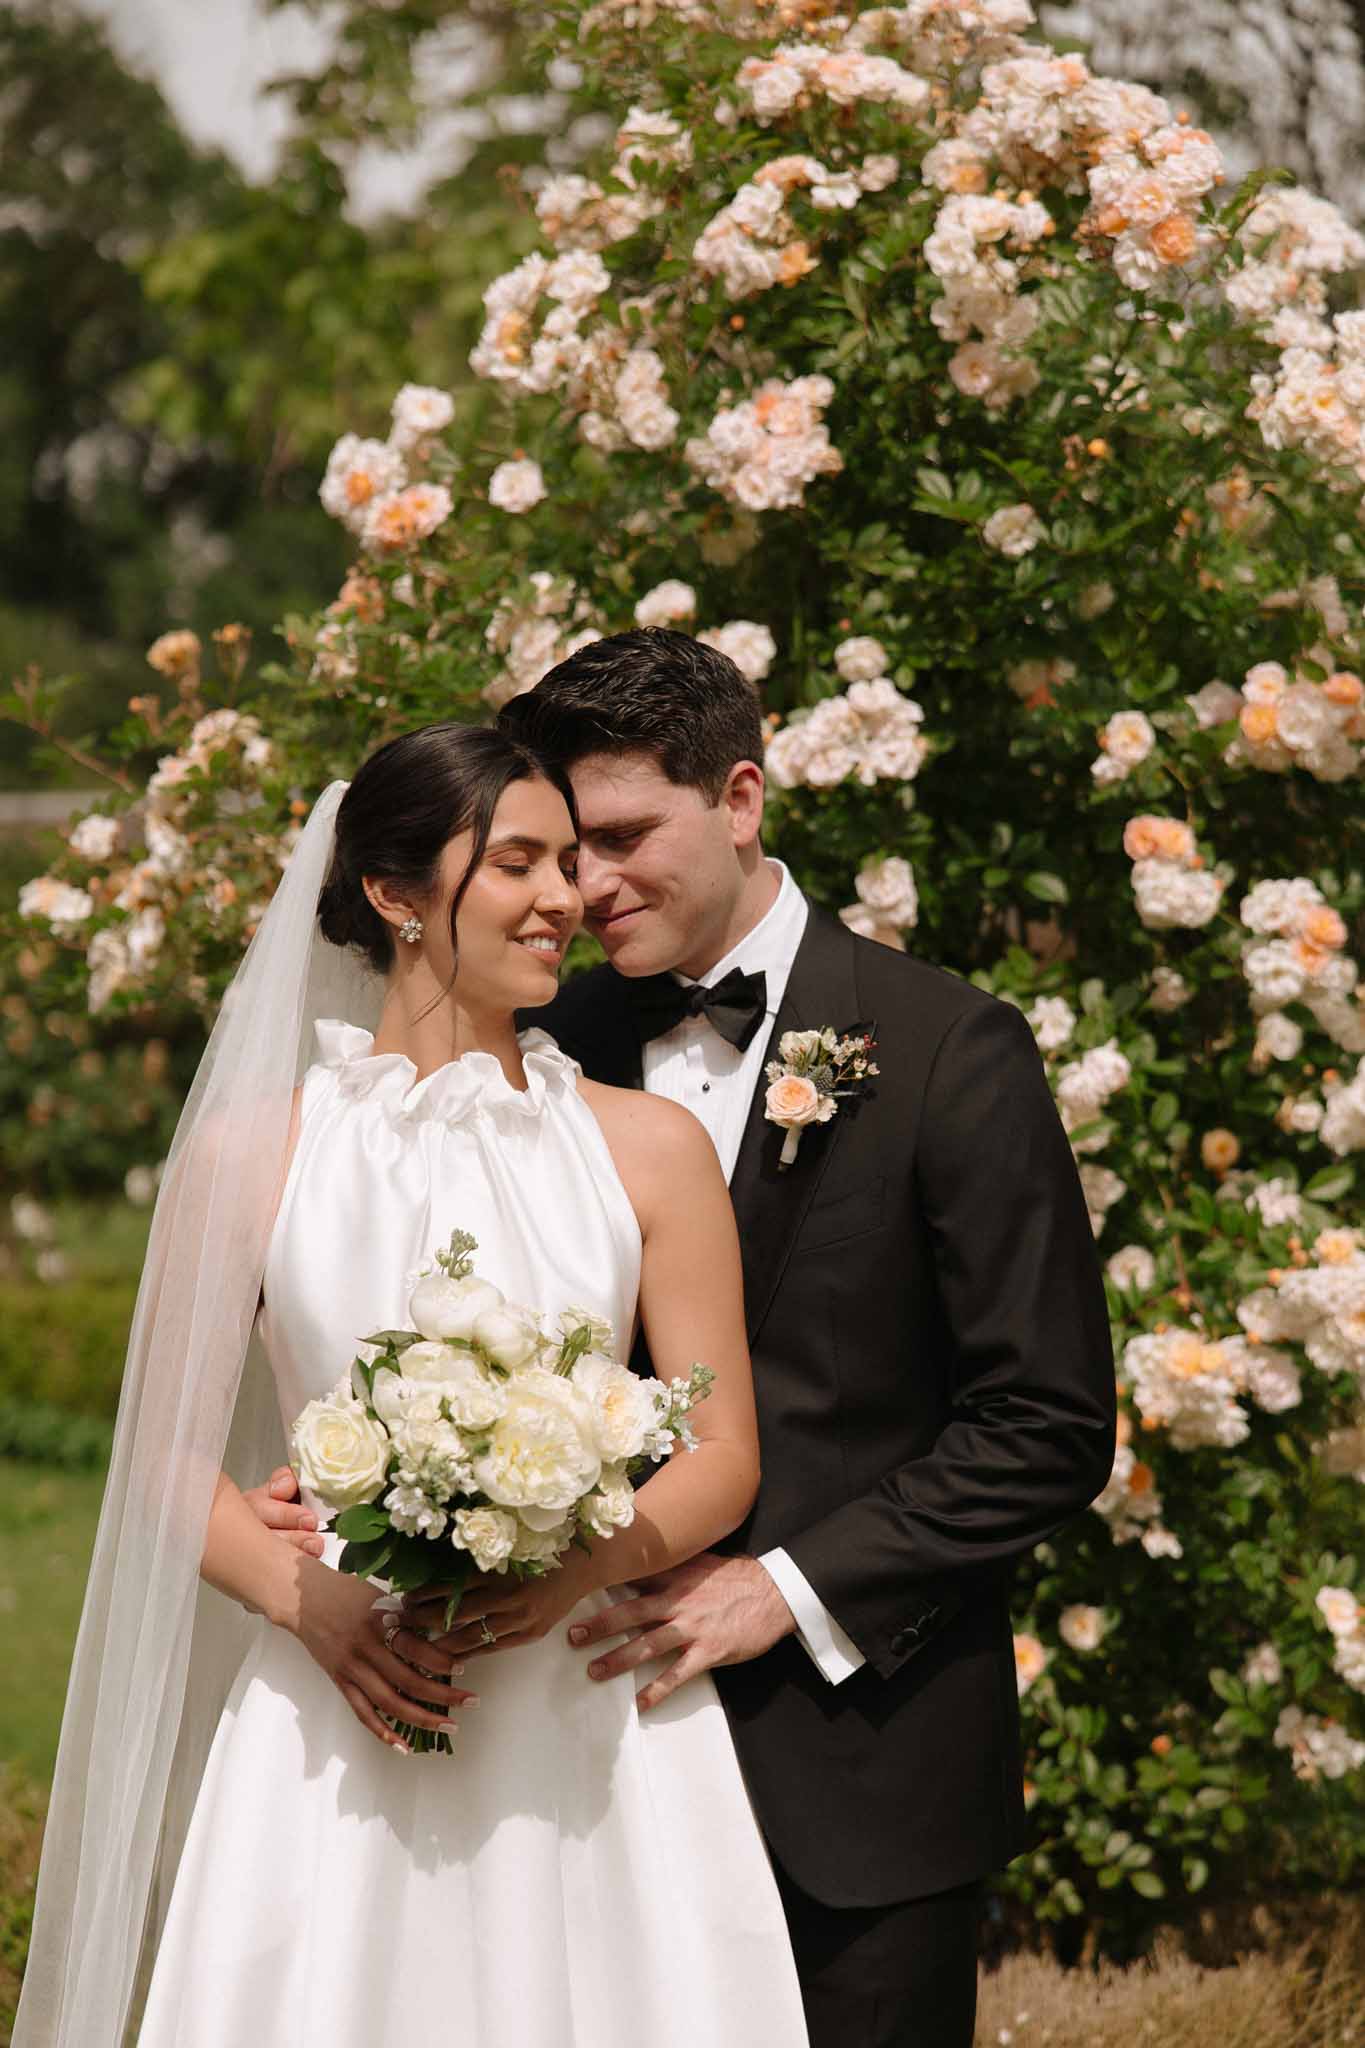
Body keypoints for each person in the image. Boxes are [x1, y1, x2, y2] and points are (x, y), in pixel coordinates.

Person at [251, 628, 1117, 2046]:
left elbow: (1047, 1425)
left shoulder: (947, 1048)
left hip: (858, 1770)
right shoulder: (534, 1044)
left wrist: (783, 1586)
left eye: (621, 837)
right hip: (576, 1770)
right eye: (557, 850)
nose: (583, 889)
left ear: (739, 800)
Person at [15, 723, 809, 2048]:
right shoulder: (251, 1153)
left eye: (569, 860)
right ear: (394, 894)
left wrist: (571, 1569)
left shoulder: (651, 1149)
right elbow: (155, 1447)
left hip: (583, 1710)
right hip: (338, 1718)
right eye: (518, 862)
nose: (568, 896)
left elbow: (723, 1452)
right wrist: (308, 1600)